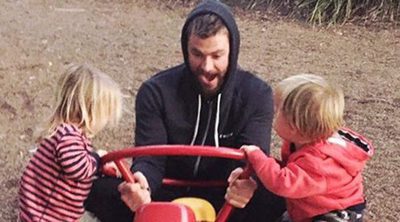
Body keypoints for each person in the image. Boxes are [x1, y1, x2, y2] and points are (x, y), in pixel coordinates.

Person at [85, 0, 285, 221]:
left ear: (233, 50)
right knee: (100, 189)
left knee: (279, 194)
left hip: (226, 196)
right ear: (185, 49)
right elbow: (150, 157)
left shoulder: (257, 94)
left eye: (217, 56)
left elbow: (252, 161)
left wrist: (248, 182)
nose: (207, 67)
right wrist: (142, 184)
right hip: (165, 193)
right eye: (197, 54)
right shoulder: (156, 91)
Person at [241, 74, 374, 222]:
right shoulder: (305, 143)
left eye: (277, 109)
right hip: (313, 208)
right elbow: (293, 170)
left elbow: (283, 182)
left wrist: (257, 156)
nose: (273, 112)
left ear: (294, 126)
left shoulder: (318, 162)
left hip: (331, 216)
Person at [18, 64, 123, 222]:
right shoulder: (68, 136)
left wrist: (99, 166)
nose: (106, 122)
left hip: (49, 210)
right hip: (46, 216)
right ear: (90, 111)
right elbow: (78, 168)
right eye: (106, 115)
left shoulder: (65, 133)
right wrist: (97, 158)